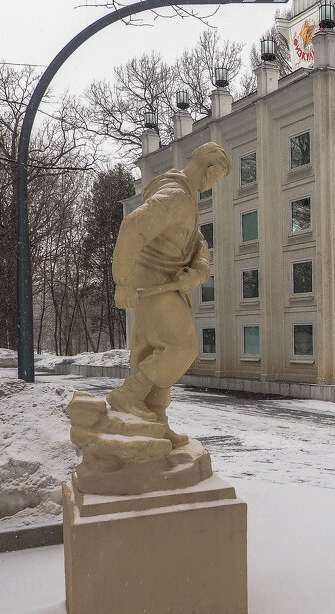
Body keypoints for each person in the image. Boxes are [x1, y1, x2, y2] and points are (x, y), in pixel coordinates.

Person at [108, 142, 231, 447]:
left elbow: (197, 242)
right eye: (216, 179)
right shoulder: (176, 196)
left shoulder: (187, 199)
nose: (214, 185)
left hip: (166, 285)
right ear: (210, 169)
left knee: (152, 352)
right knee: (181, 347)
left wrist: (199, 270)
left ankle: (156, 423)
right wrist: (122, 281)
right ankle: (130, 394)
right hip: (152, 285)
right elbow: (133, 226)